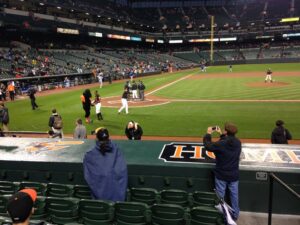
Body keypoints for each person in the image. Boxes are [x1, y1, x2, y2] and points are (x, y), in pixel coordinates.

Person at [203, 123, 241, 221]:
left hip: (221, 174)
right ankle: (235, 215)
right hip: (234, 174)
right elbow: (227, 142)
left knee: (220, 197)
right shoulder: (238, 142)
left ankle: (223, 217)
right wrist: (222, 135)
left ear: (226, 131)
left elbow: (208, 146)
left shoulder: (222, 144)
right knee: (234, 196)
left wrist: (208, 134)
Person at [83, 127, 128, 201]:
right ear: (108, 137)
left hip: (99, 204)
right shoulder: (116, 150)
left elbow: (89, 177)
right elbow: (122, 172)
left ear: (97, 138)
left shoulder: (90, 155)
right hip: (118, 200)